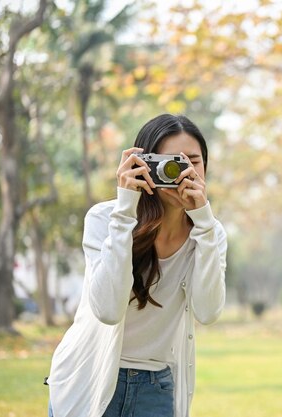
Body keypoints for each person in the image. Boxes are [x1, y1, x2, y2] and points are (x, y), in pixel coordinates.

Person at [46, 114, 227, 417]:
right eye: (166, 163)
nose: (178, 173)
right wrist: (126, 205)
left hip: (155, 387)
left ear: (205, 168)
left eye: (190, 162)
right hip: (89, 377)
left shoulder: (209, 233)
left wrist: (204, 221)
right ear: (142, 163)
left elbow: (208, 312)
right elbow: (107, 310)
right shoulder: (105, 219)